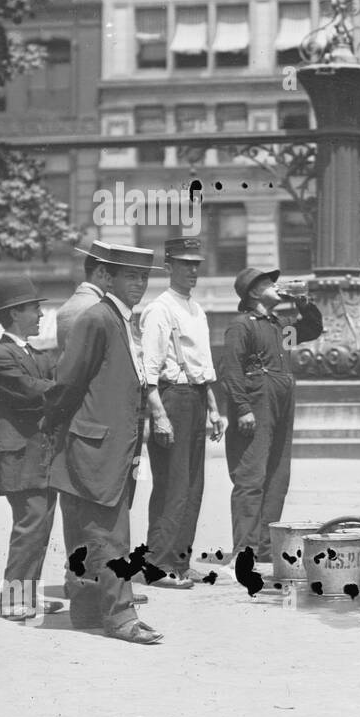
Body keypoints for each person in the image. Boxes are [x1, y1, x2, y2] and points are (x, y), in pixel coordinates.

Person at [42, 244, 165, 644]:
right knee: (112, 538)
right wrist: (52, 427)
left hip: (103, 447)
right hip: (93, 449)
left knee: (85, 536)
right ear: (106, 277)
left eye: (144, 277)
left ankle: (86, 610)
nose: (140, 284)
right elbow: (67, 383)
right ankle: (121, 617)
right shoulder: (97, 318)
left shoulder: (120, 319)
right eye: (131, 276)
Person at [221, 266, 323, 565]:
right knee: (251, 477)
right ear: (253, 291)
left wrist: (304, 302)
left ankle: (264, 546)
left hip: (282, 400)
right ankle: (245, 549)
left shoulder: (280, 326)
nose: (278, 286)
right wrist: (242, 409)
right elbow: (231, 370)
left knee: (278, 475)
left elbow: (313, 329)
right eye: (269, 282)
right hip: (257, 401)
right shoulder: (243, 325)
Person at [139, 237, 225, 588]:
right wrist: (158, 415)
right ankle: (156, 565)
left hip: (196, 397)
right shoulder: (159, 309)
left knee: (193, 486)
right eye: (185, 264)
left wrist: (215, 410)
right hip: (171, 398)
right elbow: (148, 371)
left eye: (196, 264)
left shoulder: (197, 310)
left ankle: (180, 561)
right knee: (171, 486)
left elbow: (203, 368)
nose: (192, 271)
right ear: (168, 267)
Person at [0, 278, 64, 621]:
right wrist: (63, 390)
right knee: (30, 524)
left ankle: (27, 594)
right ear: (15, 313)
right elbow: (32, 391)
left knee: (41, 525)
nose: (41, 314)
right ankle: (13, 598)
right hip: (19, 455)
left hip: (40, 453)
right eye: (34, 308)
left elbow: (51, 383)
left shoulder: (35, 354)